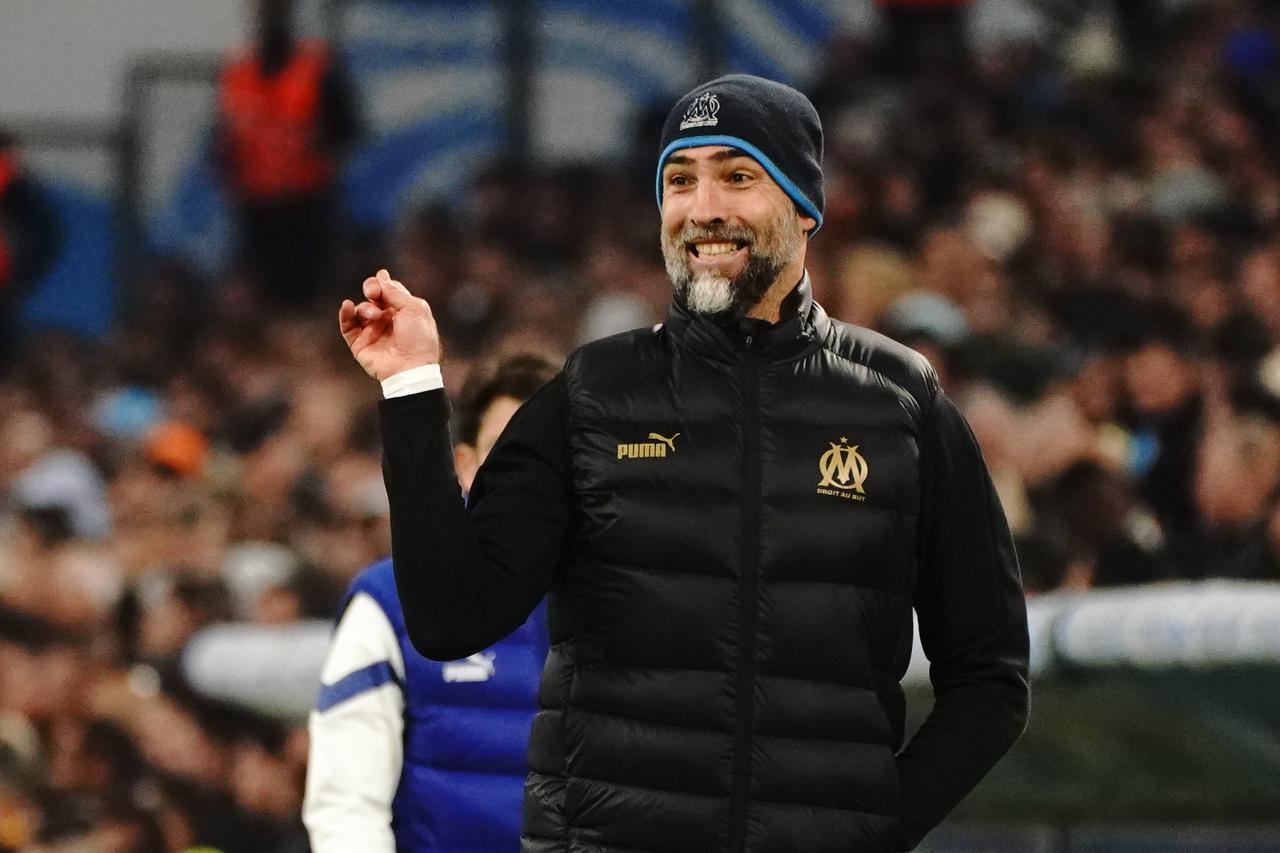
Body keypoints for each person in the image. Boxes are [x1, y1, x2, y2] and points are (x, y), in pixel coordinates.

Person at [339, 75, 1029, 852]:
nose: (703, 208)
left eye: (737, 176)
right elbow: (450, 617)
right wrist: (409, 387)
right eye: (680, 180)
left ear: (805, 206)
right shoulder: (591, 396)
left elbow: (991, 676)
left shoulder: (901, 403)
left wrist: (869, 828)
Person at [303, 354, 559, 853]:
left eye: (552, 452)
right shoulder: (388, 602)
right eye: (509, 453)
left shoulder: (623, 597)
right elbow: (347, 809)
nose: (532, 475)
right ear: (465, 465)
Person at [213, 0, 361, 307]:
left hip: (307, 205)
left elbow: (348, 130)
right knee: (263, 295)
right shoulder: (238, 73)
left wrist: (314, 145)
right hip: (256, 209)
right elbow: (222, 139)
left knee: (308, 291)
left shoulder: (316, 69)